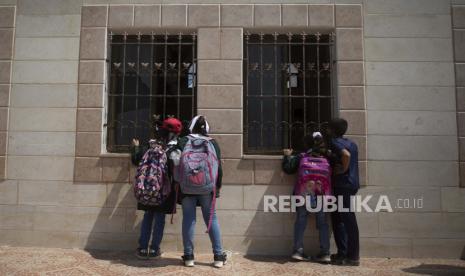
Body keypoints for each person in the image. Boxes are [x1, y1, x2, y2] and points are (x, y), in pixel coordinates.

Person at [176, 115, 227, 268]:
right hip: (207, 187)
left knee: (189, 219)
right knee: (212, 219)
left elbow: (176, 163)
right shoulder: (212, 142)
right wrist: (216, 187)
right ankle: (218, 256)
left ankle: (189, 257)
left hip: (186, 187)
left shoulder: (183, 141)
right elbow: (219, 167)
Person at [131, 117, 183, 259]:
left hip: (147, 189)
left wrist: (135, 147)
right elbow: (177, 170)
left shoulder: (150, 145)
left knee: (148, 216)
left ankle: (142, 249)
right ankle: (154, 250)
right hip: (164, 191)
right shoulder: (175, 148)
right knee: (160, 219)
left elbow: (136, 159)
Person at [282, 132, 332, 264]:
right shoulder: (328, 156)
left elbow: (288, 169)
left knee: (300, 222)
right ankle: (325, 253)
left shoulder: (302, 156)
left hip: (304, 195)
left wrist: (287, 156)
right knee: (322, 224)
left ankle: (298, 251)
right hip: (321, 195)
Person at [328, 118, 360, 266]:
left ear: (332, 130)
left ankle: (352, 257)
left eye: (328, 128)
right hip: (350, 184)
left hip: (343, 185)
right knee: (338, 219)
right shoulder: (352, 143)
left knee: (347, 220)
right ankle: (343, 253)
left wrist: (343, 169)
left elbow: (346, 155)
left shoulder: (335, 142)